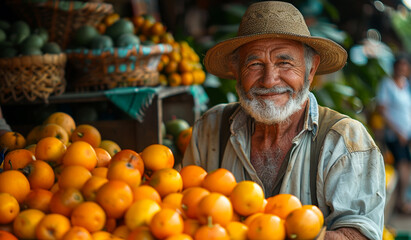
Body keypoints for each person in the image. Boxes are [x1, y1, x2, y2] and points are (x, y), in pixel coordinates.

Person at [182, 1, 385, 239]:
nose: (269, 80)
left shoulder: (346, 142)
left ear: (311, 70)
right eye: (255, 64)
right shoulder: (210, 129)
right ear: (236, 70)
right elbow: (185, 213)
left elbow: (360, 234)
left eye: (284, 63)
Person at [376, 56, 411, 214]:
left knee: (405, 166)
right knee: (402, 165)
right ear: (395, 67)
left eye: (405, 66)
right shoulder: (387, 84)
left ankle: (401, 200)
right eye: (400, 66)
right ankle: (400, 202)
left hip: (406, 133)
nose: (403, 69)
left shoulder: (406, 85)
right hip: (395, 134)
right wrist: (397, 131)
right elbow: (382, 110)